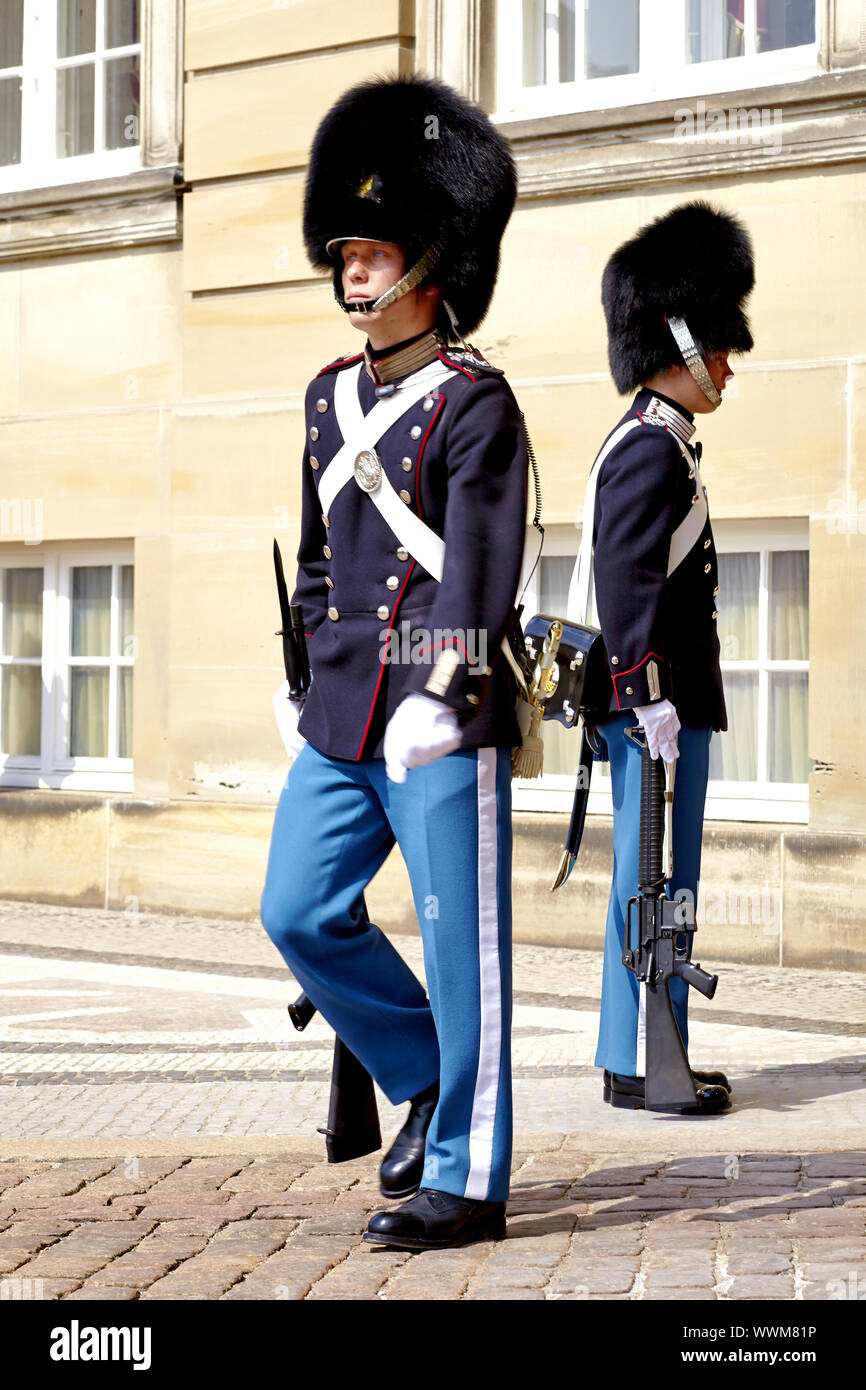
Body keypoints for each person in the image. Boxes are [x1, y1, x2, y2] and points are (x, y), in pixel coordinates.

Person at [259, 74, 529, 1250]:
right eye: (346, 250)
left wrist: (444, 684)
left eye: (374, 250)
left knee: (463, 954)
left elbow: (480, 567)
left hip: (437, 713)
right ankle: (421, 1076)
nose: (353, 269)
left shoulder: (476, 403)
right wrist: (302, 679)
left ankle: (465, 1181)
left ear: (432, 266)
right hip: (339, 717)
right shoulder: (326, 398)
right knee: (297, 911)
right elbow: (319, 558)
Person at [569, 201, 755, 1113]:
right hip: (659, 707)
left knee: (659, 883)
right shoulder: (649, 451)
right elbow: (625, 581)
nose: (726, 367)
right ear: (677, 341)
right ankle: (644, 1061)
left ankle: (644, 1050)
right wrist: (648, 699)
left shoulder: (659, 441)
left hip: (665, 704)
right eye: (717, 349)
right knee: (657, 883)